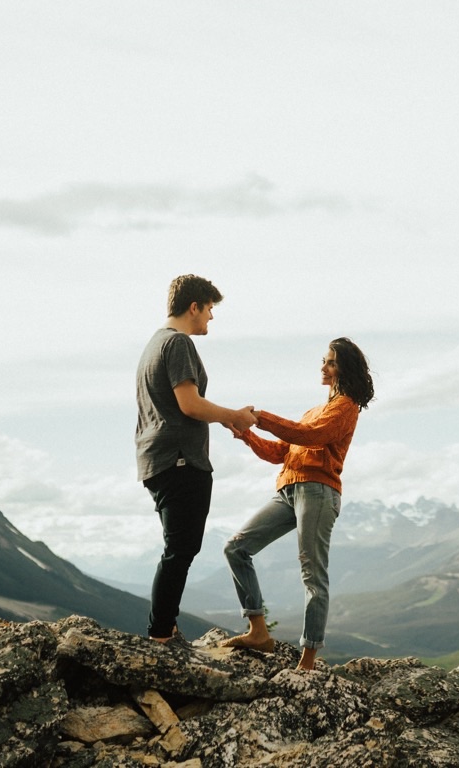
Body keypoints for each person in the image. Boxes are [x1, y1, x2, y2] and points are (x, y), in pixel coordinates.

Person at [223, 336, 374, 670]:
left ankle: (307, 660)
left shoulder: (345, 406)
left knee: (312, 575)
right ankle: (258, 632)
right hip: (289, 490)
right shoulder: (314, 411)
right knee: (236, 548)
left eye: (331, 362)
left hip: (319, 492)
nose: (323, 366)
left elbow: (309, 436)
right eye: (324, 360)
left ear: (343, 368)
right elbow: (282, 451)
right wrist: (246, 433)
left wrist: (259, 417)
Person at [135, 274, 257, 644]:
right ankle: (161, 633)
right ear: (194, 307)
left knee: (178, 547)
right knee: (181, 549)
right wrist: (234, 415)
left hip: (157, 459)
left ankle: (165, 628)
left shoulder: (153, 345)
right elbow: (190, 404)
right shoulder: (178, 344)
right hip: (181, 460)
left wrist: (224, 418)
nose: (211, 318)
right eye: (209, 309)